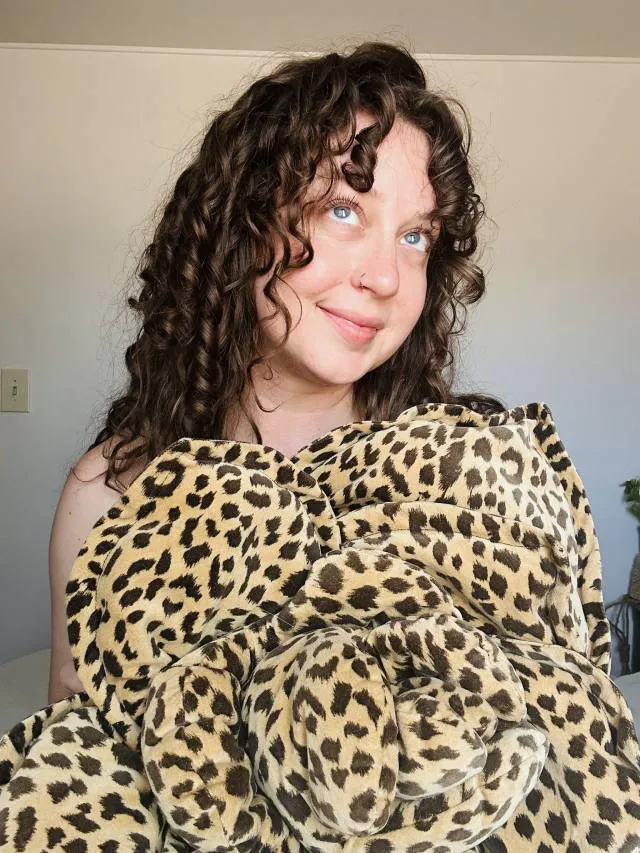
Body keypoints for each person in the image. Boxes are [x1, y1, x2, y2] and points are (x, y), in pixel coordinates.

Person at [47, 40, 504, 704]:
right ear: (244, 223)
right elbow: (72, 746)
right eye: (344, 209)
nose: (385, 277)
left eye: (415, 237)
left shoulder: (463, 481)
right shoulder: (108, 495)